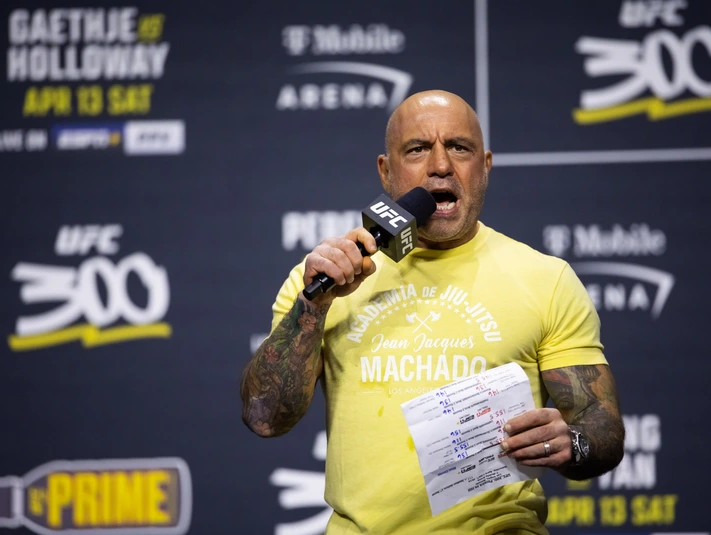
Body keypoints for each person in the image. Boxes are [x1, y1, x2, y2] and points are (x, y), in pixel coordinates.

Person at [240, 90, 625, 535]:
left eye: (459, 148)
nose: (440, 165)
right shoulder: (324, 279)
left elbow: (602, 425)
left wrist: (573, 442)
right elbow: (264, 416)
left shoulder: (545, 279)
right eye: (417, 149)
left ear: (485, 166)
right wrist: (314, 306)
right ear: (386, 171)